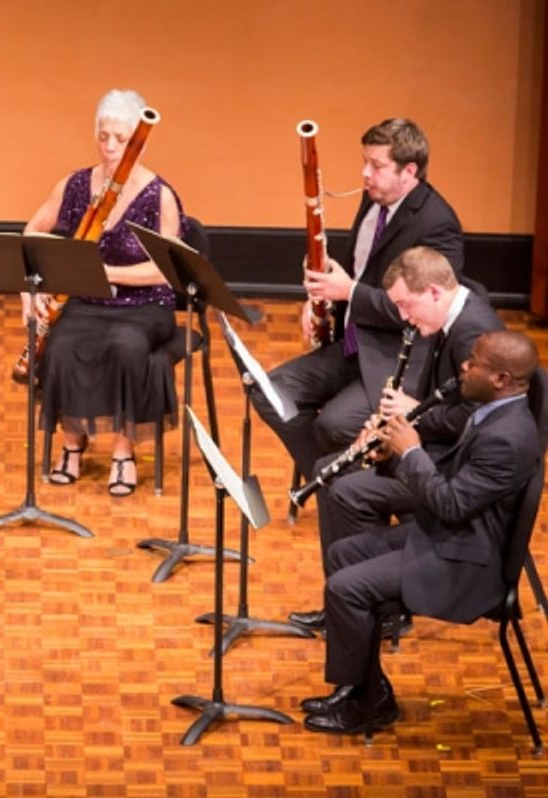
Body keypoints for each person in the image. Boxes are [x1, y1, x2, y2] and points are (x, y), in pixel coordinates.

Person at [302, 330, 541, 735]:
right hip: (450, 537)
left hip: (466, 564)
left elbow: (450, 503)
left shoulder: (508, 437)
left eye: (474, 362)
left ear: (501, 379)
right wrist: (392, 457)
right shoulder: (494, 414)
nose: (464, 366)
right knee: (342, 554)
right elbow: (449, 482)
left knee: (345, 588)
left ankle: (368, 704)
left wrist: (411, 450)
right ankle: (364, 689)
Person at [289, 246, 504, 632]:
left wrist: (412, 417)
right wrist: (388, 426)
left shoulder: (473, 332)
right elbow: (440, 398)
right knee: (329, 470)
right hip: (434, 449)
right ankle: (352, 600)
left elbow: (478, 420)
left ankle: (373, 605)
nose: (403, 317)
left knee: (344, 488)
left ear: (434, 292)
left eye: (406, 305)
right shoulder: (445, 319)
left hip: (452, 472)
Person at [253, 119, 464, 480]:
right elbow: (359, 270)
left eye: (377, 166)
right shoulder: (375, 199)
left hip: (396, 356)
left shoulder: (437, 224)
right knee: (269, 392)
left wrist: (348, 291)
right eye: (365, 162)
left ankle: (343, 489)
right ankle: (329, 482)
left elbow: (426, 310)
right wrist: (321, 294)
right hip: (354, 341)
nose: (365, 174)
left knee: (333, 424)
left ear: (409, 171)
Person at [25, 89, 181, 496]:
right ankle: (71, 445)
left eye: (121, 139)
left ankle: (123, 453)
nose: (110, 146)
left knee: (126, 346)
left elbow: (166, 271)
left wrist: (105, 272)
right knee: (61, 345)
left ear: (138, 143)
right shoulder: (76, 185)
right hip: (87, 302)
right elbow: (32, 233)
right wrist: (33, 290)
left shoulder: (159, 195)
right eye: (103, 136)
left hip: (144, 306)